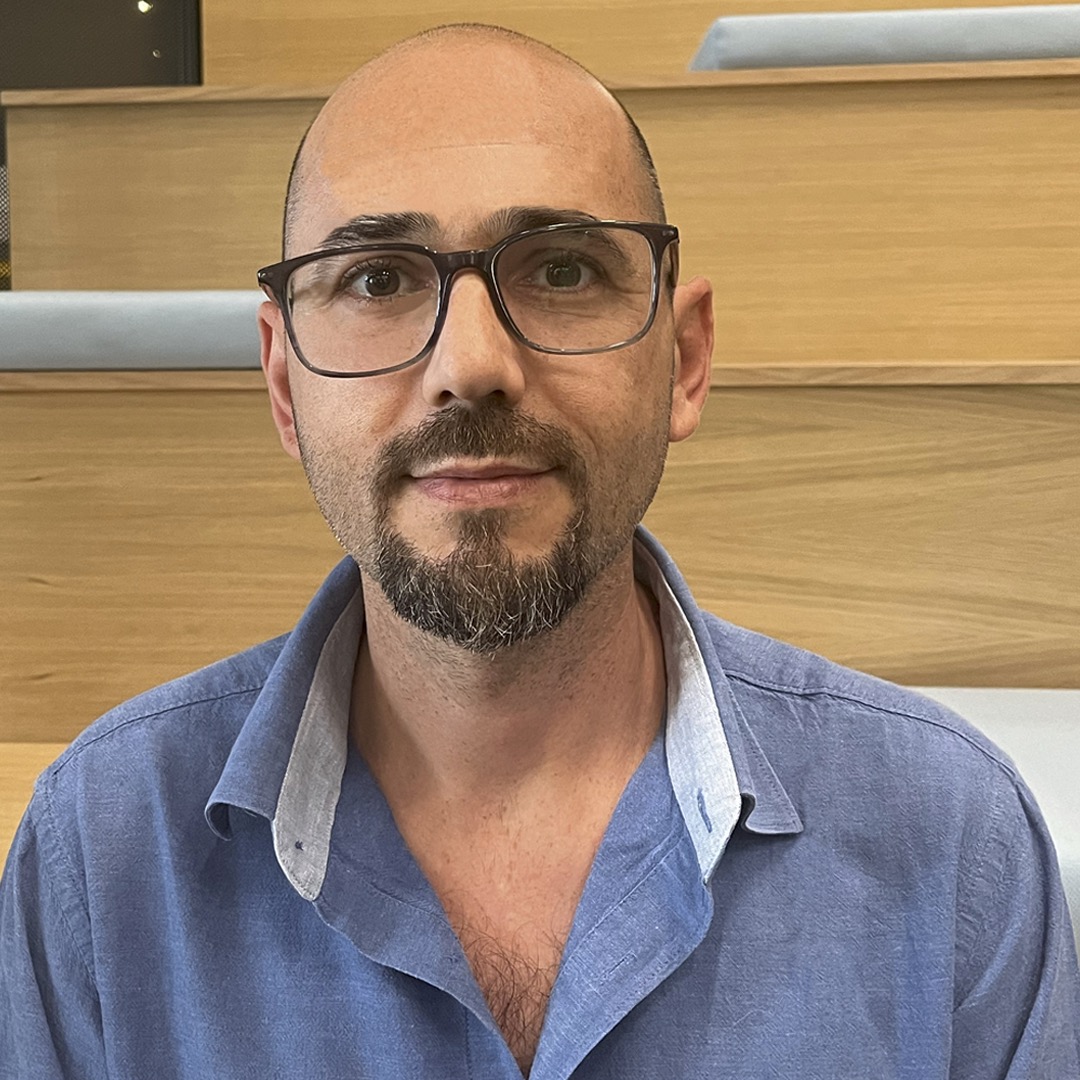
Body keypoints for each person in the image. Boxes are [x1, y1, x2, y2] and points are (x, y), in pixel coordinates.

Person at [1, 22, 1078, 1080]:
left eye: (561, 270)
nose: (471, 364)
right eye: (377, 280)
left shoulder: (954, 844)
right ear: (284, 386)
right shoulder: (98, 854)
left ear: (685, 360)